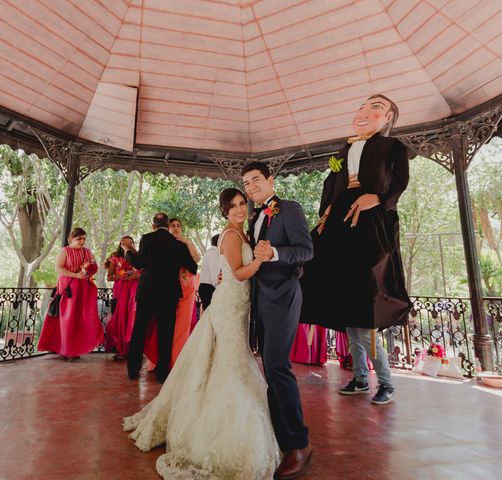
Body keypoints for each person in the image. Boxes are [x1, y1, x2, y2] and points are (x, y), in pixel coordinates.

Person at [123, 188, 280, 479]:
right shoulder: (231, 235)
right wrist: (261, 259)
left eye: (242, 204)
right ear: (224, 211)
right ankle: (222, 428)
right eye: (232, 206)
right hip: (229, 307)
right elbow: (239, 272)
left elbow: (226, 271)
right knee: (232, 364)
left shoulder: (242, 234)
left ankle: (217, 413)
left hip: (236, 305)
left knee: (225, 362)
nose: (239, 209)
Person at [300, 94, 411, 405]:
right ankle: (361, 378)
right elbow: (331, 182)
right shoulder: (345, 148)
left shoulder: (393, 147)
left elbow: (400, 182)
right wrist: (326, 212)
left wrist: (376, 198)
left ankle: (385, 381)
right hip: (340, 221)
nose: (364, 112)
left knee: (366, 305)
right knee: (349, 304)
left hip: (371, 223)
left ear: (388, 119)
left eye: (375, 107)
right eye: (361, 107)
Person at [243, 161, 314, 479]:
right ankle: (280, 434)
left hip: (284, 296)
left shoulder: (290, 208)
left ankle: (299, 444)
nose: (251, 187)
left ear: (271, 180)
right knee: (269, 368)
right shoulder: (255, 216)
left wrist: (274, 254)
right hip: (260, 299)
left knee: (277, 366)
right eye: (246, 183)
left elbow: (306, 250)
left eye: (256, 180)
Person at [122, 213, 197, 382]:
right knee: (166, 333)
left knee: (140, 331)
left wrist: (127, 251)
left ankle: (133, 371)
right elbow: (192, 266)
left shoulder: (147, 239)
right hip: (169, 293)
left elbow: (139, 262)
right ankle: (162, 374)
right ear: (167, 225)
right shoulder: (178, 243)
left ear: (153, 226)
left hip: (148, 291)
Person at [37, 227, 104, 360]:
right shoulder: (65, 251)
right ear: (71, 239)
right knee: (68, 317)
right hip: (68, 286)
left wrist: (88, 271)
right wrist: (76, 275)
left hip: (84, 287)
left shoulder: (87, 251)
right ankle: (65, 349)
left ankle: (77, 348)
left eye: (84, 238)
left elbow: (94, 266)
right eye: (79, 238)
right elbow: (59, 268)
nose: (82, 241)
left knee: (81, 318)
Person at [143, 218, 200, 371]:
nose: (175, 228)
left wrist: (187, 242)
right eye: (172, 225)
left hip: (186, 285)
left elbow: (197, 259)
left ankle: (176, 362)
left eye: (178, 226)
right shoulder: (162, 243)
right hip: (167, 286)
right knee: (160, 325)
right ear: (166, 227)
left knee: (182, 325)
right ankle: (158, 360)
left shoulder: (185, 243)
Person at [104, 236, 140, 359]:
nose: (128, 244)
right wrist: (123, 276)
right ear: (121, 243)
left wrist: (135, 275)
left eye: (131, 242)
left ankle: (131, 349)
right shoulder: (115, 258)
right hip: (119, 294)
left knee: (131, 322)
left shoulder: (137, 258)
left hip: (133, 295)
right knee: (119, 321)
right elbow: (109, 277)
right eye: (125, 242)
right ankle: (120, 349)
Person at [198, 233, 221, 311]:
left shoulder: (210, 252)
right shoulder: (214, 253)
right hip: (209, 288)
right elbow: (215, 275)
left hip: (206, 287)